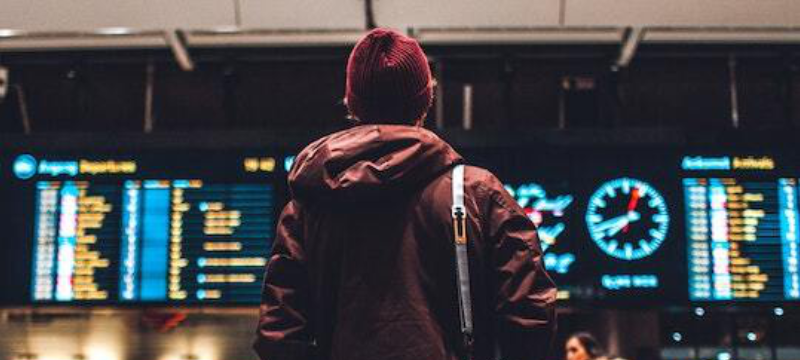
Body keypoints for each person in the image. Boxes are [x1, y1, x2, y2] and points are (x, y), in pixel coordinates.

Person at [253, 28, 557, 360]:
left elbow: (279, 335)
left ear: (352, 102)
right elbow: (529, 314)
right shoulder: (477, 194)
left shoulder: (309, 206)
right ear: (426, 99)